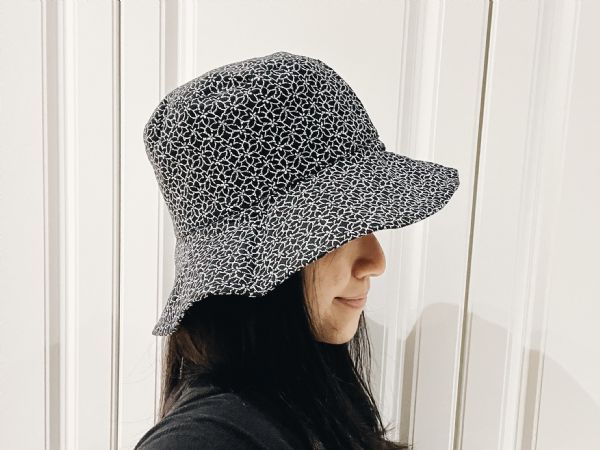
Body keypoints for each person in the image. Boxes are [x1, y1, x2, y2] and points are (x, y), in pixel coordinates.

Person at [134, 51, 460, 449]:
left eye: (367, 222)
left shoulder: (308, 406)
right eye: (340, 226)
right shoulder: (205, 442)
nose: (376, 261)